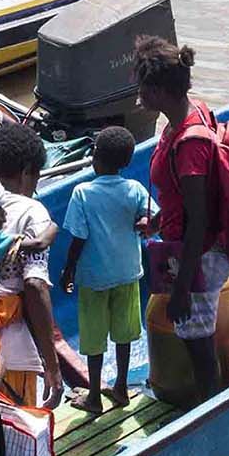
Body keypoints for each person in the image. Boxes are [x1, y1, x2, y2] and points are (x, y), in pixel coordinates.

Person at [134, 35, 229, 400]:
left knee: (198, 343)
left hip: (200, 254)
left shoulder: (190, 145)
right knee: (194, 335)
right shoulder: (190, 113)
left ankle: (211, 410)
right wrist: (158, 223)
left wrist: (181, 289)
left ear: (159, 91)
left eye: (142, 89)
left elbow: (200, 221)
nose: (138, 97)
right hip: (188, 244)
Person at [57, 127, 156, 415]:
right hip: (127, 274)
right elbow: (154, 217)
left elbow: (78, 238)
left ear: (95, 158)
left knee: (93, 338)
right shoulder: (136, 189)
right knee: (124, 334)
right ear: (126, 161)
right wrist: (144, 220)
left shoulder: (82, 193)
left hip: (94, 279)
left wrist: (68, 271)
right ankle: (122, 387)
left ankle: (95, 398)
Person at [0, 124, 63, 408]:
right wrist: (52, 366)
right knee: (11, 441)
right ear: (28, 172)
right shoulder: (32, 213)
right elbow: (35, 285)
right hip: (9, 359)